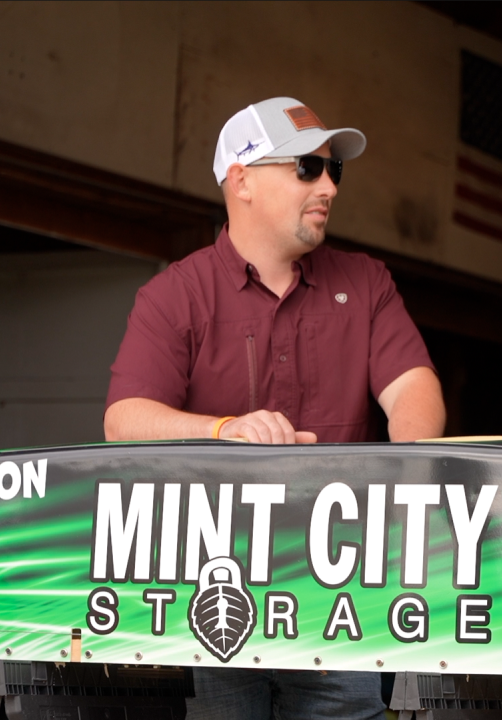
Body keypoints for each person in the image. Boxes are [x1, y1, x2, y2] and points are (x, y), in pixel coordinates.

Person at [105, 96, 446, 720]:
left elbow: (414, 389)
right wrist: (223, 429)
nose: (329, 188)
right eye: (307, 169)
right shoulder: (173, 295)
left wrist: (410, 470)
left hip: (340, 599)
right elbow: (124, 417)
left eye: (334, 171)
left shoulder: (365, 281)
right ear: (242, 180)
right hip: (211, 597)